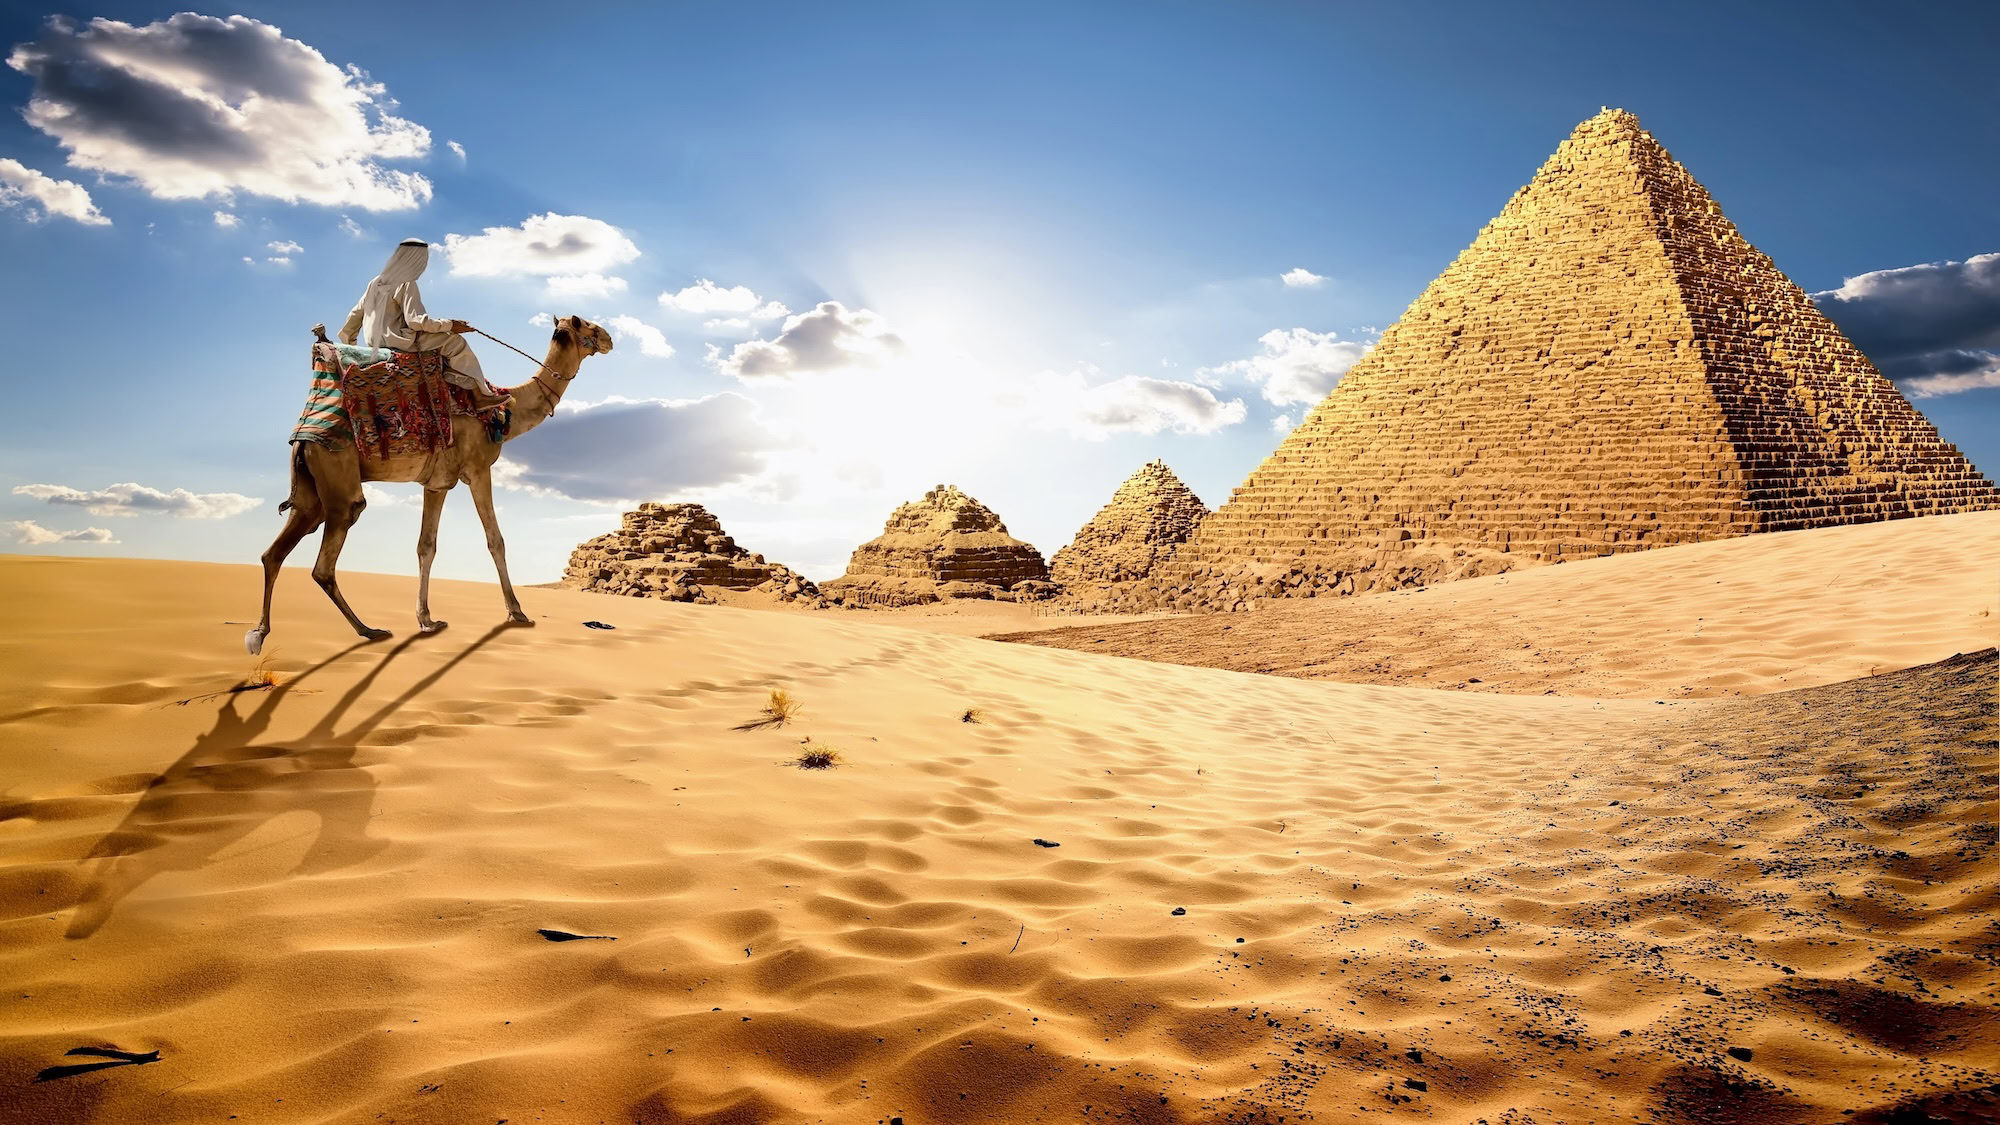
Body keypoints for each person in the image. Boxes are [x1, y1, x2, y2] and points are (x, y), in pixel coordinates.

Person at [339, 239, 510, 407]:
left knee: (444, 338)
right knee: (454, 342)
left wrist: (351, 346)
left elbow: (355, 314)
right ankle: (480, 396)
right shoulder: (406, 281)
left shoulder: (375, 282)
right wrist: (450, 325)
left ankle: (454, 376)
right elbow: (415, 321)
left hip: (373, 344)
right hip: (401, 342)